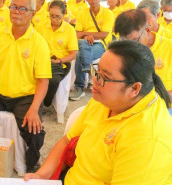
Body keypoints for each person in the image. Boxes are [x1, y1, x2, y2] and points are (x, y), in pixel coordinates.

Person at [25, 40, 172, 184]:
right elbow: (66, 140)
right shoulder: (105, 99)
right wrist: (41, 175)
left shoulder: (148, 141)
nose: (93, 79)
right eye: (96, 70)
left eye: (104, 77)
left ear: (134, 89)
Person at [0, 0, 51, 172]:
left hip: (25, 96)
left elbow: (43, 81)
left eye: (22, 8)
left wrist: (34, 108)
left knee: (34, 129)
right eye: (13, 7)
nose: (16, 11)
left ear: (33, 14)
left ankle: (31, 164)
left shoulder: (39, 43)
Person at [114, 9, 172, 102]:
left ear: (147, 29)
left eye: (135, 40)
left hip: (164, 104)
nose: (130, 45)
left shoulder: (169, 47)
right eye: (125, 41)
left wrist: (159, 96)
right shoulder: (123, 48)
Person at [69, 0, 114, 101]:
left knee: (80, 55)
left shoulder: (107, 13)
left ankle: (79, 87)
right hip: (84, 42)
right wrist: (86, 35)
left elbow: (104, 34)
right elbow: (77, 33)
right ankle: (89, 70)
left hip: (101, 44)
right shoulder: (82, 13)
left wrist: (87, 34)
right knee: (83, 44)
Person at [36, 0, 78, 106]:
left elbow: (73, 55)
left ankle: (45, 102)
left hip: (61, 63)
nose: (54, 19)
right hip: (43, 60)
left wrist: (59, 60)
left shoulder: (69, 30)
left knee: (53, 80)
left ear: (64, 15)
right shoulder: (41, 26)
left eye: (58, 17)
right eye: (51, 16)